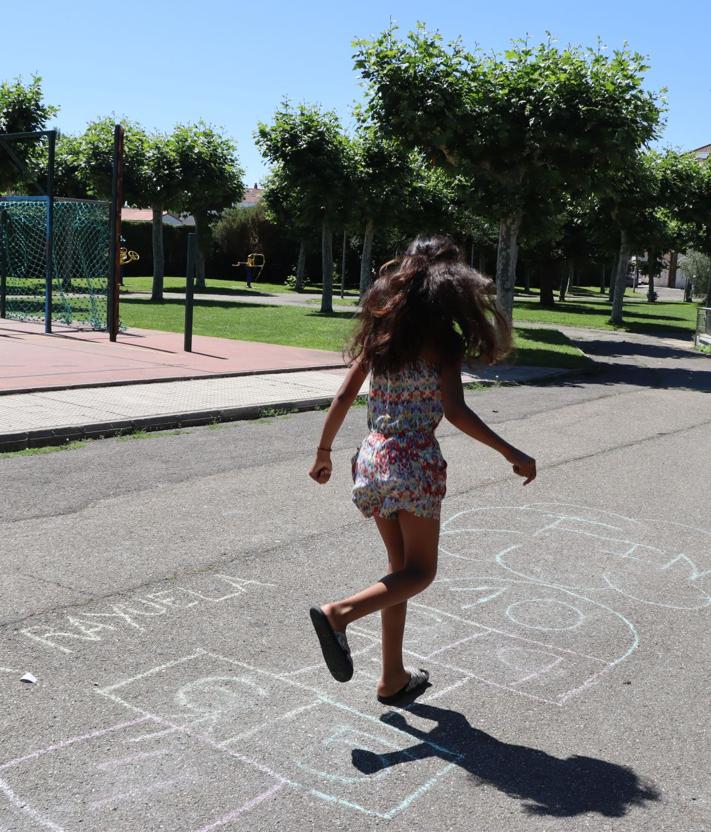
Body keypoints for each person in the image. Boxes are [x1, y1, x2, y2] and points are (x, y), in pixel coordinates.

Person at [308, 235, 536, 704]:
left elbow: (344, 395)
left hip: (371, 457)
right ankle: (339, 614)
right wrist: (511, 452)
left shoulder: (383, 331)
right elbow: (456, 411)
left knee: (399, 572)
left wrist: (324, 450)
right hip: (413, 462)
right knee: (422, 571)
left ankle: (392, 677)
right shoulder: (442, 341)